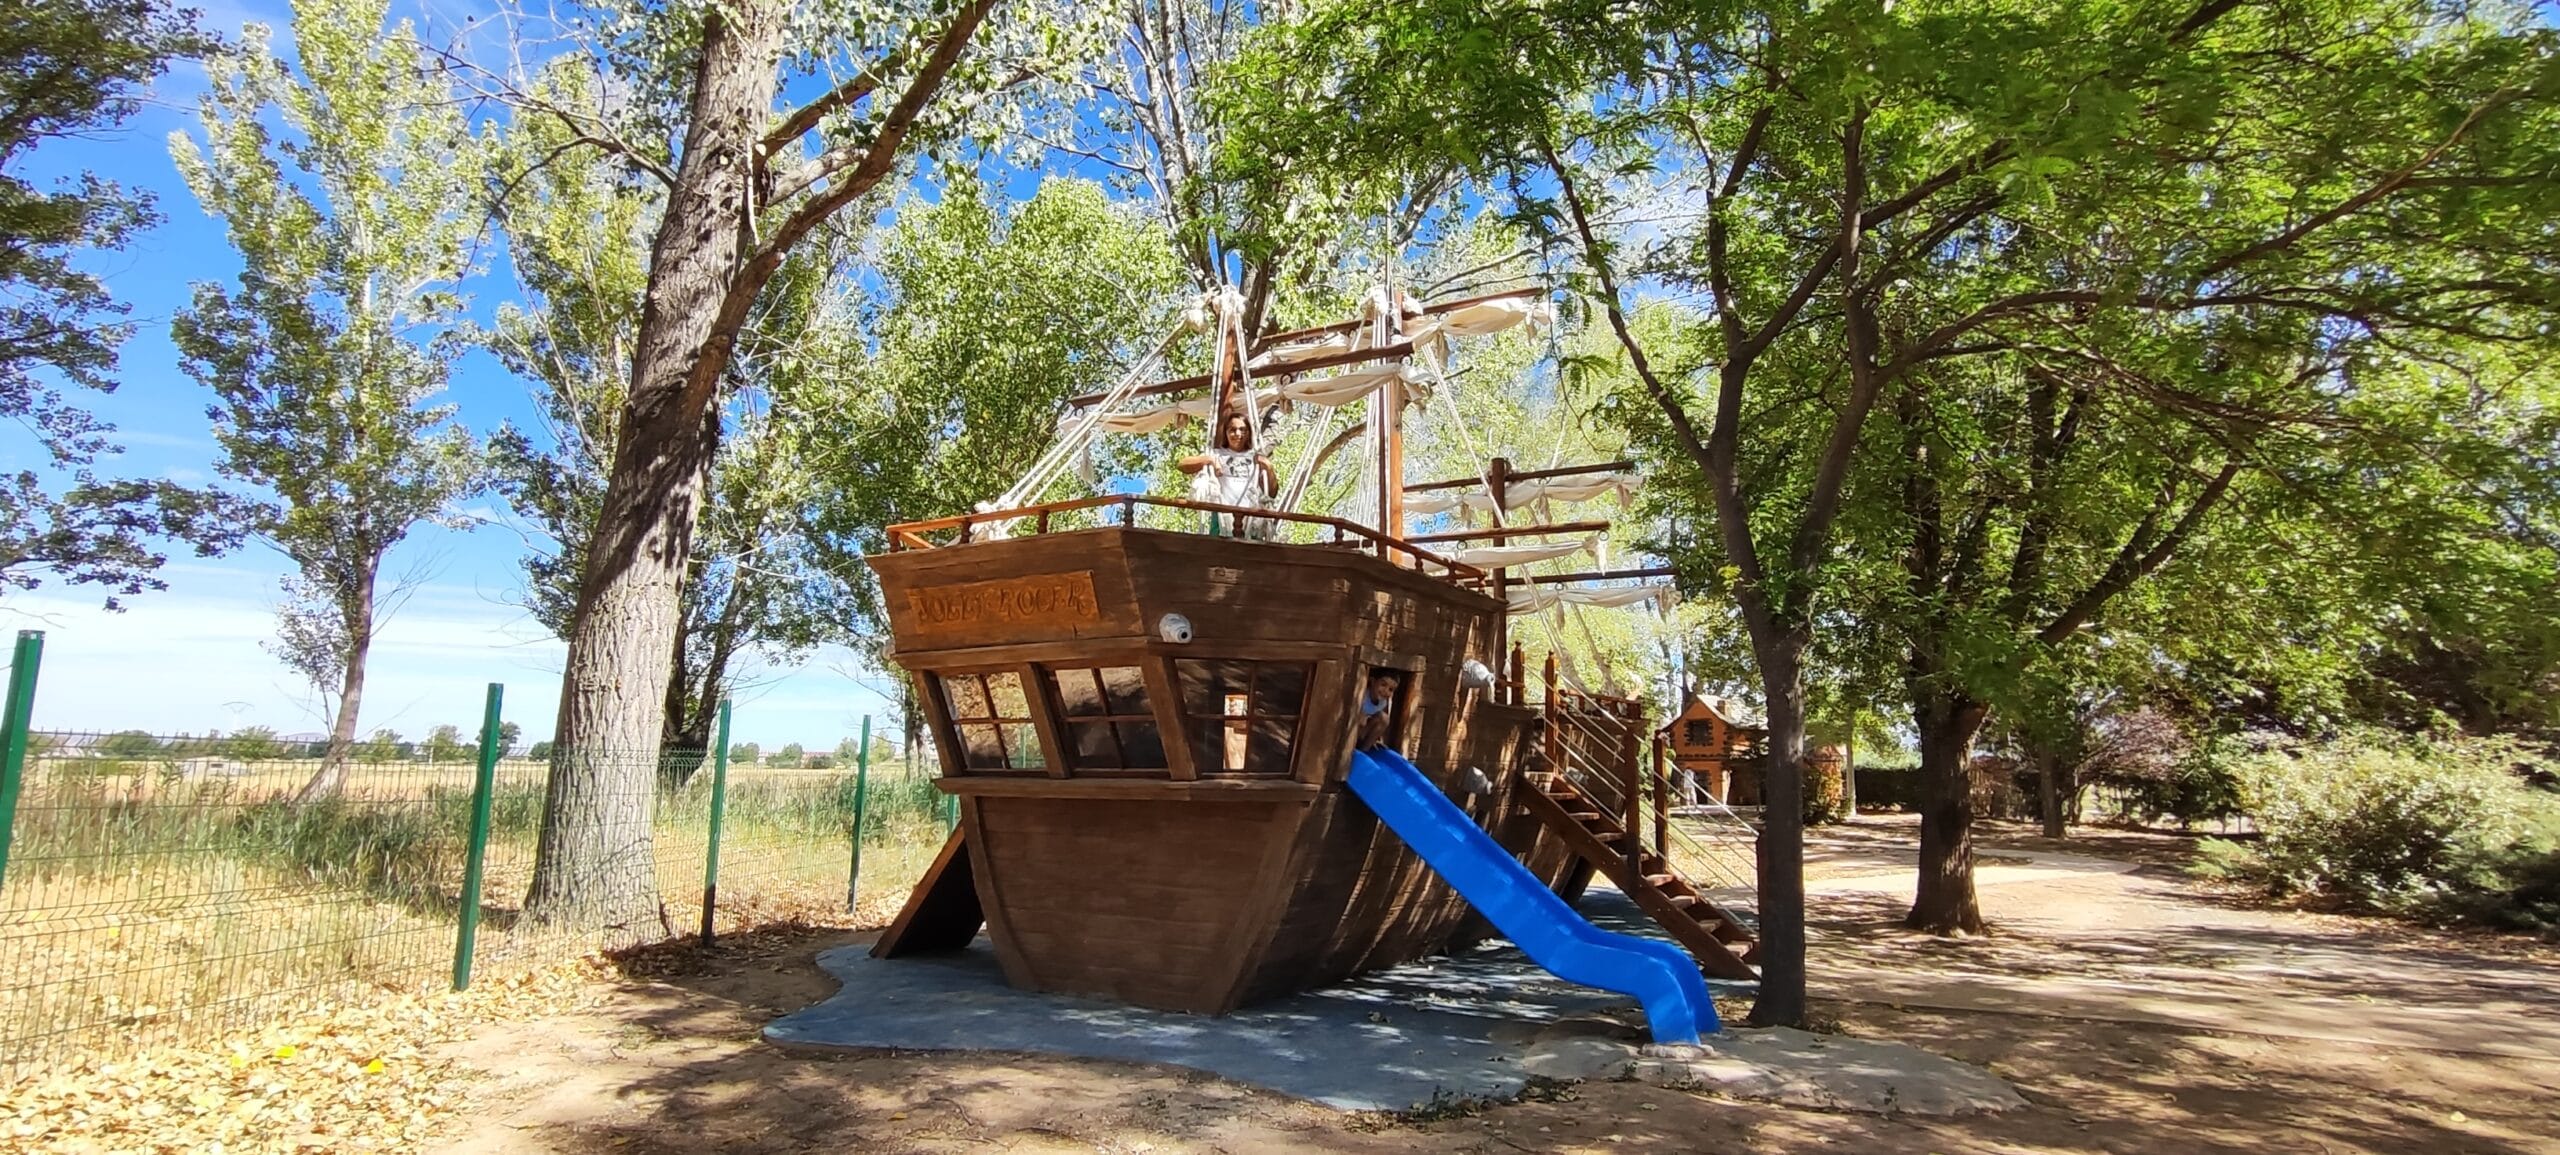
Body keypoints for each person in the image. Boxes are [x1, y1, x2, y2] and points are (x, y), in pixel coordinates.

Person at [1179, 410, 1277, 538]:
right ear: (1226, 432)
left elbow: (1271, 493)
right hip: (1222, 518)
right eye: (1233, 430)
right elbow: (1182, 465)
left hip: (1250, 519)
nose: (1238, 434)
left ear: (1248, 433)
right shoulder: (1217, 454)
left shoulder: (1255, 458)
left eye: (1243, 430)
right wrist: (1209, 460)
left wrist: (1268, 467)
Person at [1357, 670, 1400, 752]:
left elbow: (1379, 721)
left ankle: (1364, 750)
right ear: (1372, 681)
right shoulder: (1363, 695)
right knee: (1361, 720)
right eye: (1383, 685)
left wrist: (1375, 738)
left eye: (1391, 689)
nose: (1386, 691)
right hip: (1352, 733)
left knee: (1384, 718)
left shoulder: (1383, 703)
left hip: (1363, 734)